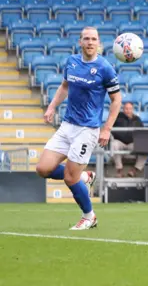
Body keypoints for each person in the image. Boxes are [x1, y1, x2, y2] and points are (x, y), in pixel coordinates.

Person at [35, 27, 121, 230]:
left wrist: (106, 128)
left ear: (98, 43)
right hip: (67, 125)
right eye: (86, 39)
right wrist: (51, 106)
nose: (90, 42)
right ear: (80, 42)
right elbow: (65, 86)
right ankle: (85, 177)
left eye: (94, 39)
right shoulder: (71, 62)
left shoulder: (105, 67)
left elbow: (116, 100)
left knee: (69, 178)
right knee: (42, 169)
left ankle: (89, 216)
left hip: (88, 129)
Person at [112, 101, 148, 177]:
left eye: (130, 108)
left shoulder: (137, 119)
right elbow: (110, 129)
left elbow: (142, 132)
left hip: (132, 143)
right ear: (123, 109)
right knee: (114, 144)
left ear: (132, 109)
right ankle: (119, 169)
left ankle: (135, 169)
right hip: (120, 142)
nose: (128, 110)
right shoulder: (118, 117)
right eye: (126, 108)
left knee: (146, 147)